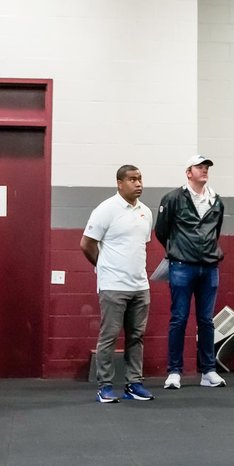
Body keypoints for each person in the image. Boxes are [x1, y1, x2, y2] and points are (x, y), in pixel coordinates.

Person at [81, 165, 155, 403]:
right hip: (113, 286)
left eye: (140, 179)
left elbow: (140, 245)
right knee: (109, 336)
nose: (138, 183)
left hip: (140, 286)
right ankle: (105, 386)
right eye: (132, 179)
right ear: (119, 183)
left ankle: (134, 384)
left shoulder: (146, 212)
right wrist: (102, 267)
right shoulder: (106, 210)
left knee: (136, 336)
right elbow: (87, 244)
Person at [155, 155, 227, 389]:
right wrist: (179, 250)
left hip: (209, 267)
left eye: (206, 167)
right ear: (188, 172)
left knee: (206, 320)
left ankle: (208, 371)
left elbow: (215, 232)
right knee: (179, 318)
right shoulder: (173, 198)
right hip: (181, 266)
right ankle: (174, 372)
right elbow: (161, 231)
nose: (204, 170)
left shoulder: (216, 201)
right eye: (200, 167)